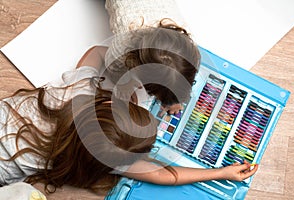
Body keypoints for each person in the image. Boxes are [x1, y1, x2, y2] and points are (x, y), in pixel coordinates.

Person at [0, 19, 258, 196]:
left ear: (110, 101)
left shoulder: (78, 85)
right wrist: (219, 172)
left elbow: (95, 52)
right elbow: (164, 175)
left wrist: (128, 81)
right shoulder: (106, 151)